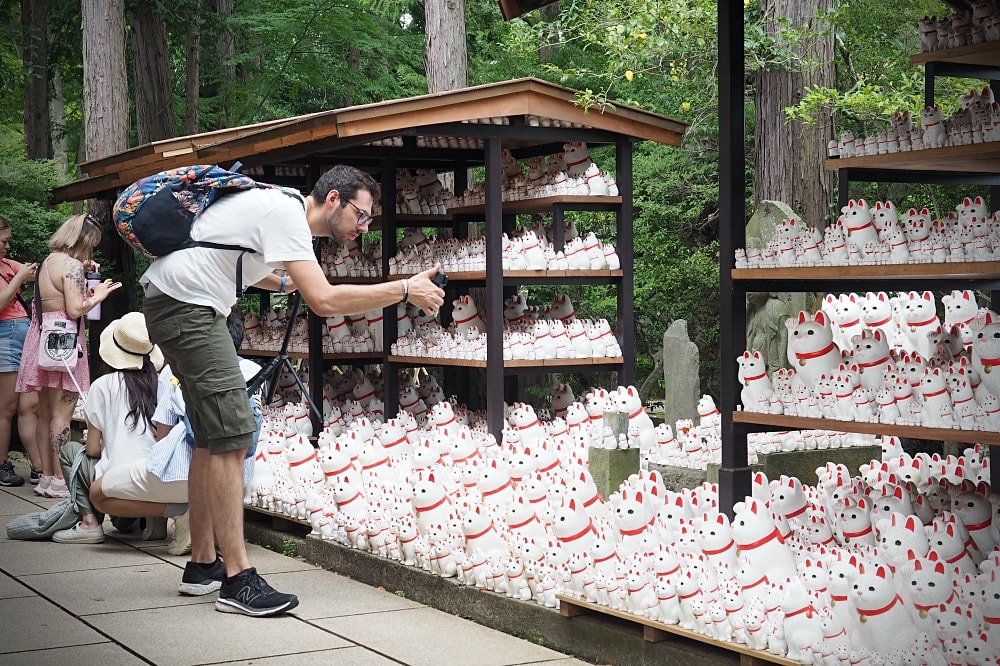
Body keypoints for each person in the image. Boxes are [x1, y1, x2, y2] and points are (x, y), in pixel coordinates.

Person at [141, 164, 445, 617]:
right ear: (334, 199)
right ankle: (238, 580)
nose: (364, 228)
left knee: (209, 437)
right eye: (361, 215)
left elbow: (241, 260)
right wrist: (403, 288)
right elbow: (324, 301)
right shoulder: (287, 213)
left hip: (178, 301)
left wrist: (286, 281)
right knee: (234, 435)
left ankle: (203, 565)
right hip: (189, 307)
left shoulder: (282, 209)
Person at [16, 214, 122, 498]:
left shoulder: (49, 262)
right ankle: (62, 480)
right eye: (91, 245)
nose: (92, 251)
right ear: (82, 240)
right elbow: (75, 309)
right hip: (65, 347)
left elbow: (56, 299)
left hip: (43, 343)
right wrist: (98, 294)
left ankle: (46, 478)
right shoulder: (71, 266)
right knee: (62, 417)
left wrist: (83, 275)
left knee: (45, 414)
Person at [51, 312, 174, 543]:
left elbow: (92, 450)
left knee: (69, 451)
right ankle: (151, 518)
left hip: (116, 481)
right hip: (158, 476)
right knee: (122, 524)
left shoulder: (102, 386)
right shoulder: (163, 384)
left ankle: (89, 524)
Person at [0, 215, 40, 487]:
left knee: (30, 404)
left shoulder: (7, 264)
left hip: (23, 335)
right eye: (3, 241)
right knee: (6, 408)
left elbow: (38, 273)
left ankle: (39, 466)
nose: (7, 246)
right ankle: (2, 464)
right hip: (5, 337)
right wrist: (19, 279)